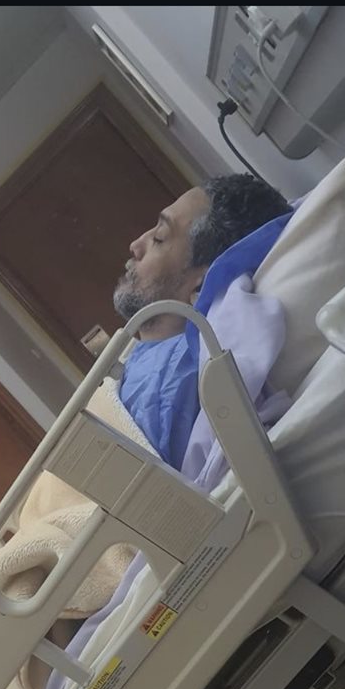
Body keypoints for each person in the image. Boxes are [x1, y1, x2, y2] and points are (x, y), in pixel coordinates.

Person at [113, 174, 291, 469]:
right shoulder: (146, 363)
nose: (135, 245)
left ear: (202, 282)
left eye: (159, 238)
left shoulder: (170, 385)